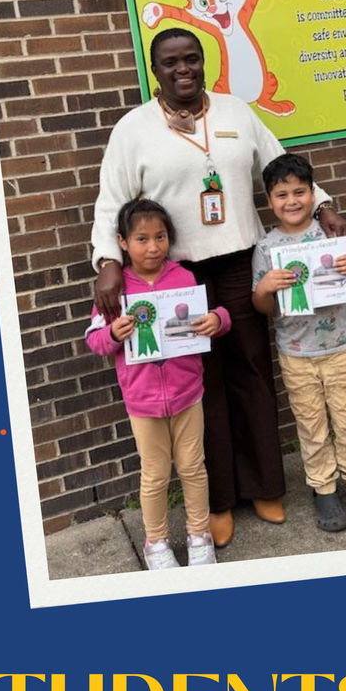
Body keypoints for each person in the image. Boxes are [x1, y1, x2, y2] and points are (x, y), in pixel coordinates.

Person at [91, 28, 346, 545]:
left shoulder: (234, 111)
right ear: (154, 70)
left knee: (251, 370)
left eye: (191, 59)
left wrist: (322, 205)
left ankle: (264, 486)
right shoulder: (133, 128)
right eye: (170, 62)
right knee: (201, 385)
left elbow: (278, 165)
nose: (182, 68)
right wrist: (108, 261)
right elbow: (110, 200)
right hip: (177, 277)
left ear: (203, 63)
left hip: (238, 263)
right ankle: (221, 500)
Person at [85, 198, 231, 569]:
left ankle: (199, 534)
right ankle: (156, 543)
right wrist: (114, 335)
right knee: (154, 474)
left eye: (161, 237)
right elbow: (95, 340)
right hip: (143, 403)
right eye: (142, 239)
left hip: (188, 396)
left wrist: (219, 319)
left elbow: (212, 317)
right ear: (122, 241)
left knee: (193, 467)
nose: (153, 247)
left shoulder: (182, 277)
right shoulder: (114, 290)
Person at [252, 154, 346, 532]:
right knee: (310, 425)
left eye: (299, 192)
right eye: (281, 194)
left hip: (340, 346)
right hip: (296, 354)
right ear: (269, 200)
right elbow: (262, 307)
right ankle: (323, 489)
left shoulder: (333, 235)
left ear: (313, 194)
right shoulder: (266, 248)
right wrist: (264, 288)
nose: (291, 201)